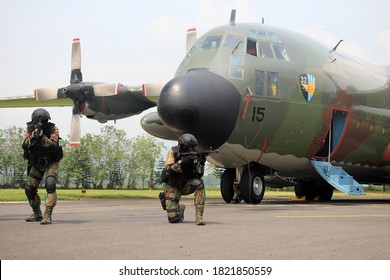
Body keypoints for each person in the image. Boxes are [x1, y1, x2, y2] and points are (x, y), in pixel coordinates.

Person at [22, 108, 63, 225]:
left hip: (51, 162)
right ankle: (37, 213)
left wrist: (43, 138)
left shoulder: (53, 129)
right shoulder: (30, 130)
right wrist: (33, 137)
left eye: (42, 121)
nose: (39, 124)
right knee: (29, 189)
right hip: (37, 162)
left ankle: (48, 215)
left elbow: (53, 145)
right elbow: (24, 145)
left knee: (50, 184)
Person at [160, 134, 206, 225]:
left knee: (199, 183)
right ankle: (179, 208)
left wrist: (201, 163)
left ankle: (199, 216)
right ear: (182, 146)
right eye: (189, 147)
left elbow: (199, 174)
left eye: (193, 147)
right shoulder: (173, 152)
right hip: (173, 185)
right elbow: (166, 173)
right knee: (173, 219)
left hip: (186, 184)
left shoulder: (195, 155)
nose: (192, 149)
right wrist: (182, 162)